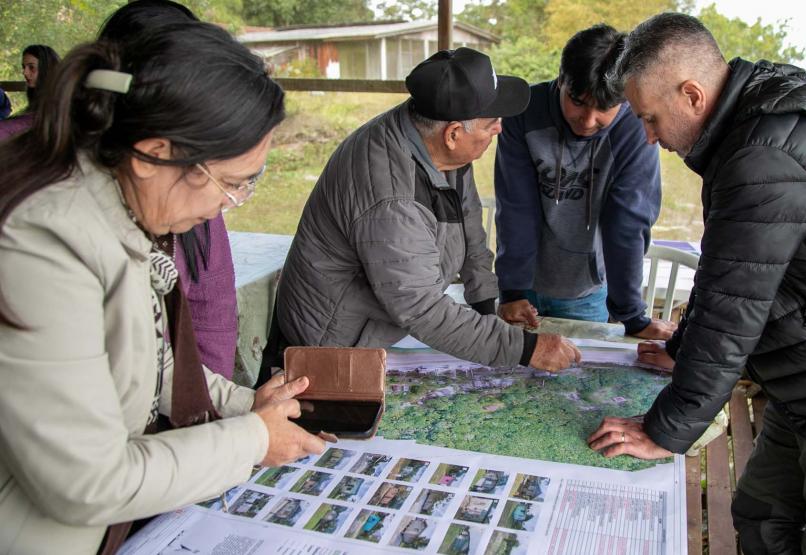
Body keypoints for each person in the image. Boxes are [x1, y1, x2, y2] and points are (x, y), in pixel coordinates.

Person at [587, 12, 806, 554]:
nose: (647, 137)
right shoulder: (752, 131)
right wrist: (679, 349)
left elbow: (730, 313)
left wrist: (664, 430)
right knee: (760, 515)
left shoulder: (765, 156)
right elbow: (732, 279)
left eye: (649, 118)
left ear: (692, 95)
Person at [0, 21, 328, 554]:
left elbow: (150, 358)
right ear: (153, 153)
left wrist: (246, 403)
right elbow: (86, 483)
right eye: (235, 183)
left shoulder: (118, 211)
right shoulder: (45, 244)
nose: (230, 204)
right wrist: (253, 438)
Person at [262, 48, 581, 381]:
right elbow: (421, 308)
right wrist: (526, 349)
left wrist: (486, 304)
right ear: (454, 133)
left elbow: (468, 220)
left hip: (375, 327)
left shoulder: (431, 136)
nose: (500, 128)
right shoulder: (392, 199)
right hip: (329, 346)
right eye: (491, 123)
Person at [494, 24, 674, 340]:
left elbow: (627, 223)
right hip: (524, 286)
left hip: (587, 290)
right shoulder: (523, 113)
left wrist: (633, 316)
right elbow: (516, 208)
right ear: (561, 79)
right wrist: (511, 289)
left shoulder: (633, 127)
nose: (588, 120)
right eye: (577, 101)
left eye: (604, 108)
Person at [98, 0, 239, 379]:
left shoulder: (193, 191)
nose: (225, 201)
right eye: (228, 182)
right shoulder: (65, 226)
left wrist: (219, 412)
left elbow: (212, 310)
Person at [0, 45, 60, 140]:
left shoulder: (60, 101)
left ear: (48, 68)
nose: (25, 72)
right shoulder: (35, 102)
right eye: (24, 67)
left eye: (31, 67)